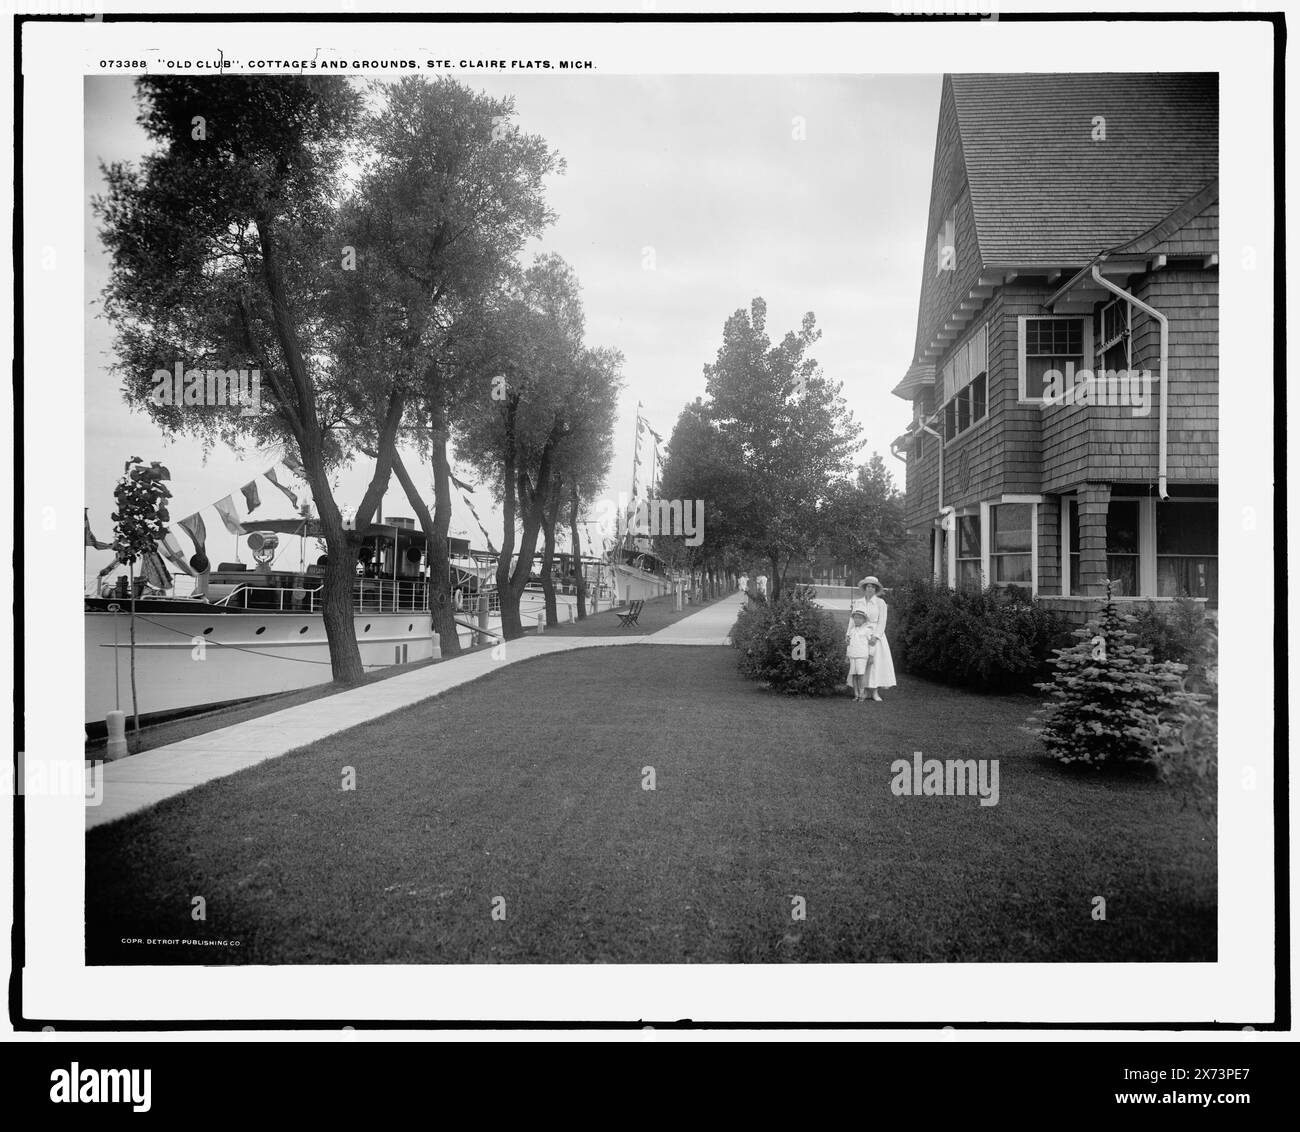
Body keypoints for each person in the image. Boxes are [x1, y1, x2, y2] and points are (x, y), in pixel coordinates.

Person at [847, 575, 897, 702]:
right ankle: (863, 692)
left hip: (875, 636)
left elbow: (882, 621)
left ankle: (874, 692)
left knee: (875, 663)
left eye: (872, 587)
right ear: (865, 588)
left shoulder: (881, 603)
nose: (870, 589)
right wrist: (848, 635)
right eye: (868, 586)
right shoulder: (858, 602)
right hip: (860, 636)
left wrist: (876, 636)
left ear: (876, 589)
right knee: (861, 662)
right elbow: (852, 620)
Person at [845, 607, 874, 701]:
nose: (857, 620)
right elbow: (849, 644)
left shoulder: (867, 630)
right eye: (856, 618)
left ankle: (861, 694)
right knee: (854, 675)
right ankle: (856, 694)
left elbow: (872, 644)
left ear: (864, 620)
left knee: (861, 675)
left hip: (862, 655)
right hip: (853, 655)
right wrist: (847, 655)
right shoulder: (852, 630)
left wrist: (871, 655)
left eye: (860, 618)